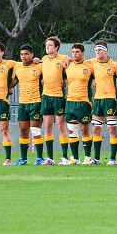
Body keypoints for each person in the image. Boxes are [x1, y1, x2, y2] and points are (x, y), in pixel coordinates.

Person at [10, 45, 44, 165]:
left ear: (32, 55)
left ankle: (40, 158)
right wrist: (7, 89)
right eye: (21, 54)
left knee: (35, 130)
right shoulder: (17, 67)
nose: (23, 56)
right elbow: (13, 82)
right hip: (22, 103)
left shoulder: (39, 65)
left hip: (36, 102)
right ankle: (23, 158)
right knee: (23, 131)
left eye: (26, 54)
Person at [40, 36, 70, 165]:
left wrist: (70, 59)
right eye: (46, 45)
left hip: (58, 96)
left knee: (60, 125)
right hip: (46, 96)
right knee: (47, 126)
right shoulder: (43, 59)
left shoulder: (63, 58)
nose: (47, 47)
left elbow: (74, 62)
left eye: (50, 45)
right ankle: (50, 158)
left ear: (56, 47)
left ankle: (64, 157)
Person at [89, 41, 117, 165]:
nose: (97, 52)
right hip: (98, 99)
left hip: (110, 99)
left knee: (111, 128)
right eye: (96, 50)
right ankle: (96, 158)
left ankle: (113, 158)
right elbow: (78, 62)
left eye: (99, 50)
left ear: (105, 51)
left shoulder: (114, 64)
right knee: (96, 128)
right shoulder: (92, 62)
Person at [65, 43, 95, 165]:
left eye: (77, 52)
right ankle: (75, 158)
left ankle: (87, 157)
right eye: (73, 52)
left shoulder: (90, 65)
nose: (74, 54)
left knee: (85, 130)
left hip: (84, 102)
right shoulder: (67, 65)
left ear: (83, 53)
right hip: (70, 101)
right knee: (72, 130)